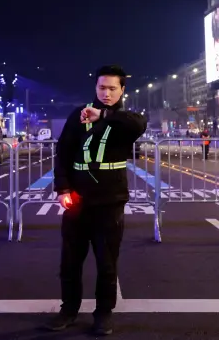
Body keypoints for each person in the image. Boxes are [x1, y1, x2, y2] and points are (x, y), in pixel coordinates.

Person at [44, 65, 147, 336]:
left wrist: (102, 114)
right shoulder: (78, 115)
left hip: (110, 202)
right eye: (102, 87)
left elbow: (138, 125)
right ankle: (68, 310)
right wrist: (62, 189)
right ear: (95, 88)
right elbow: (63, 152)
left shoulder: (125, 119)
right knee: (70, 261)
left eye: (112, 88)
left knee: (107, 262)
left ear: (122, 90)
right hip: (78, 201)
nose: (106, 93)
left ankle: (103, 313)